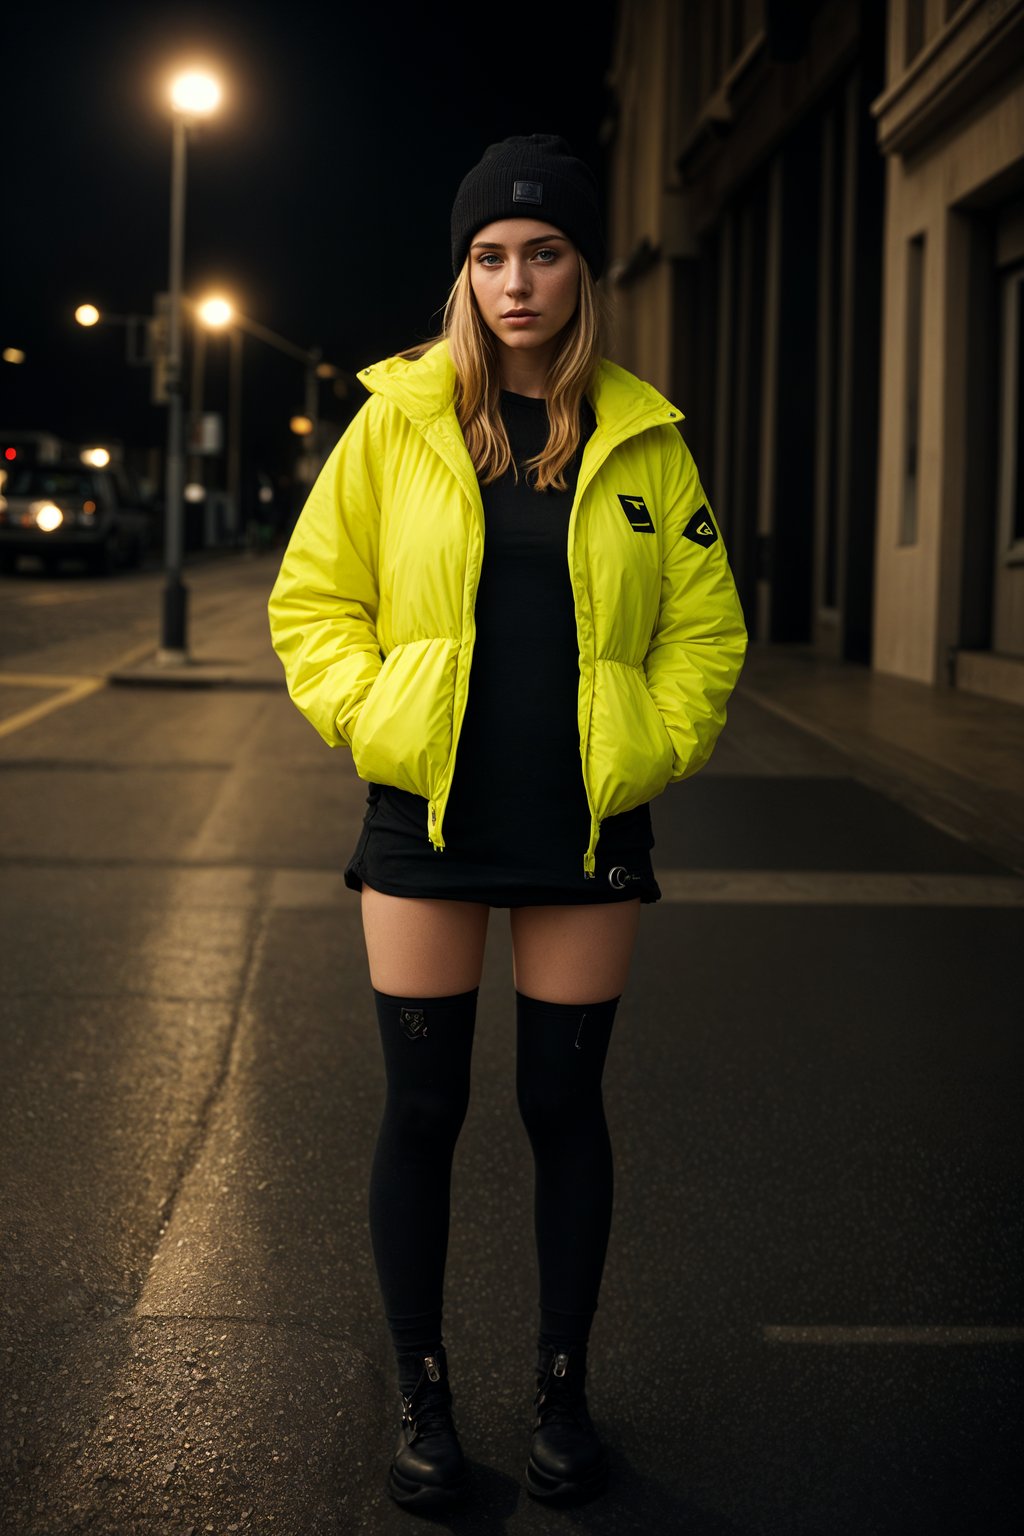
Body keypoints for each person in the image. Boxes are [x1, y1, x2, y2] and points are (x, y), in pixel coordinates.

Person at [268, 133, 747, 1512]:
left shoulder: (645, 435)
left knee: (562, 1107)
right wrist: (378, 721)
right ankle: (423, 1395)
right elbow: (314, 605)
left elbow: (707, 631)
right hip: (427, 825)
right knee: (423, 1106)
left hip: (584, 834)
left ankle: (560, 1392)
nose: (514, 281)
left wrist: (653, 744)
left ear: (581, 268)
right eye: (489, 258)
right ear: (463, 274)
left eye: (541, 254)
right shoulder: (401, 421)